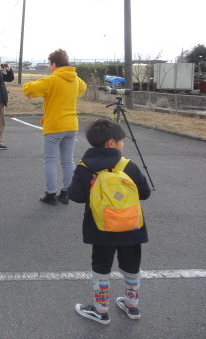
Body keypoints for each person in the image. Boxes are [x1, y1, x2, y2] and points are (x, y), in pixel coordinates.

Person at [69, 119, 151, 325]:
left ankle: (101, 309)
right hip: (131, 226)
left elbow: (76, 195)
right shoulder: (127, 165)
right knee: (132, 265)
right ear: (111, 143)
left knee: (101, 265)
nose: (123, 144)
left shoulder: (85, 167)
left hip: (101, 227)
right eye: (122, 141)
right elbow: (145, 193)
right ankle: (132, 305)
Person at [22, 48, 87, 205]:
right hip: (71, 125)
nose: (49, 68)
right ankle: (66, 192)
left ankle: (50, 193)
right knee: (67, 161)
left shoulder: (52, 80)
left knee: (50, 160)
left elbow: (28, 87)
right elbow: (83, 88)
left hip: (54, 126)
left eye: (49, 65)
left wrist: (33, 92)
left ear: (55, 64)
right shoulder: (76, 80)